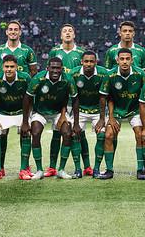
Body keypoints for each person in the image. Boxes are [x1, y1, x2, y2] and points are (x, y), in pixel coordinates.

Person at [21, 57, 79, 180]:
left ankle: (61, 170)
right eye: (53, 68)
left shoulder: (68, 79)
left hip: (58, 112)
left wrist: (76, 123)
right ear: (47, 68)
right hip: (40, 112)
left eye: (58, 68)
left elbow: (75, 100)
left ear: (62, 69)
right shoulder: (38, 78)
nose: (55, 71)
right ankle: (39, 170)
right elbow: (27, 98)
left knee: (67, 133)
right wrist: (25, 122)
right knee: (35, 133)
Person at [97, 48, 145, 180]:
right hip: (117, 111)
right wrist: (109, 117)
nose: (124, 62)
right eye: (122, 59)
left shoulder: (140, 73)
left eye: (127, 59)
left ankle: (140, 169)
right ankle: (109, 170)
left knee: (140, 135)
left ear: (132, 60)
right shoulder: (110, 75)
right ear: (117, 60)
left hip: (135, 110)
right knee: (108, 135)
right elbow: (106, 98)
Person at [46, 24, 86, 177]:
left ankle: (85, 166)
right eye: (65, 31)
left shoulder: (81, 53)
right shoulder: (54, 52)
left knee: (78, 133)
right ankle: (52, 167)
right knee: (57, 133)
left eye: (70, 31)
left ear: (74, 35)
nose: (68, 33)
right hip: (58, 100)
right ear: (60, 35)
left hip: (75, 99)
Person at [0, 54, 32, 180]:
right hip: (2, 113)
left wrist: (26, 120)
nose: (9, 69)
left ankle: (23, 169)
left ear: (17, 67)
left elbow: (30, 100)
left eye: (12, 66)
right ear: (2, 67)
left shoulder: (25, 78)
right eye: (6, 66)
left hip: (21, 112)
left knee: (26, 133)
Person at [68, 51, 109, 177]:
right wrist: (75, 122)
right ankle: (78, 169)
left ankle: (96, 169)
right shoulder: (73, 74)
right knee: (74, 134)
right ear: (81, 62)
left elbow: (104, 97)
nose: (89, 64)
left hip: (98, 111)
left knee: (102, 135)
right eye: (86, 61)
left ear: (96, 62)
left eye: (92, 61)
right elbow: (74, 98)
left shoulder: (103, 74)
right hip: (79, 110)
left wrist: (102, 119)